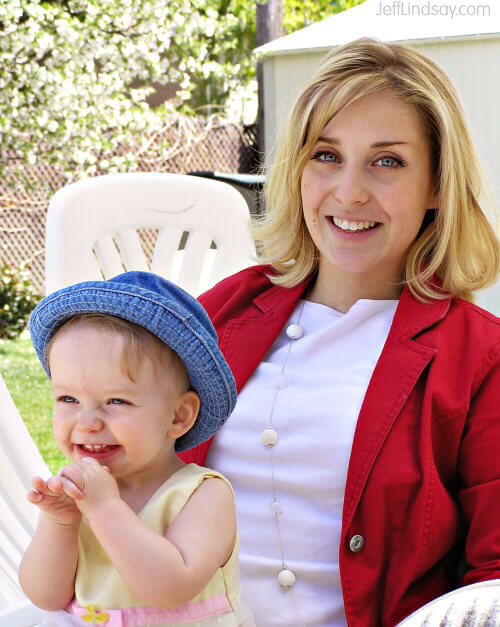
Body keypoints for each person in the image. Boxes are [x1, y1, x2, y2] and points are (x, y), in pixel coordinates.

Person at [178, 38, 500, 626]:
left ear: (437, 186)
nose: (349, 191)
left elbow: (495, 576)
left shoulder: (479, 356)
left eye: (387, 161)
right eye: (326, 156)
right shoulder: (222, 312)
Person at [19, 271, 253, 626]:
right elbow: (46, 596)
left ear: (178, 415)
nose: (87, 422)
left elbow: (170, 590)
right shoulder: (76, 497)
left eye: (116, 401)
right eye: (68, 398)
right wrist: (59, 523)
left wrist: (105, 509)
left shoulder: (202, 495)